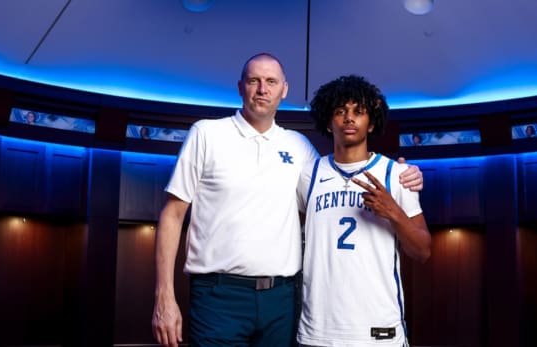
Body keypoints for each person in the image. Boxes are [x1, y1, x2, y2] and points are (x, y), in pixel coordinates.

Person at [151, 53, 424, 347]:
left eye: (271, 81)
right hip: (219, 294)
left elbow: (339, 178)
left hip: (281, 298)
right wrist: (164, 295)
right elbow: (172, 214)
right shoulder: (207, 133)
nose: (262, 89)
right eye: (254, 80)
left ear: (284, 90)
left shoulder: (300, 148)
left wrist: (405, 175)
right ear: (240, 86)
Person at [296, 75, 431, 346]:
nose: (349, 118)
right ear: (327, 121)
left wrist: (393, 212)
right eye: (340, 111)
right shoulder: (308, 175)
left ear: (371, 123)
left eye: (359, 112)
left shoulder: (398, 173)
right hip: (318, 330)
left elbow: (423, 251)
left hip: (378, 329)